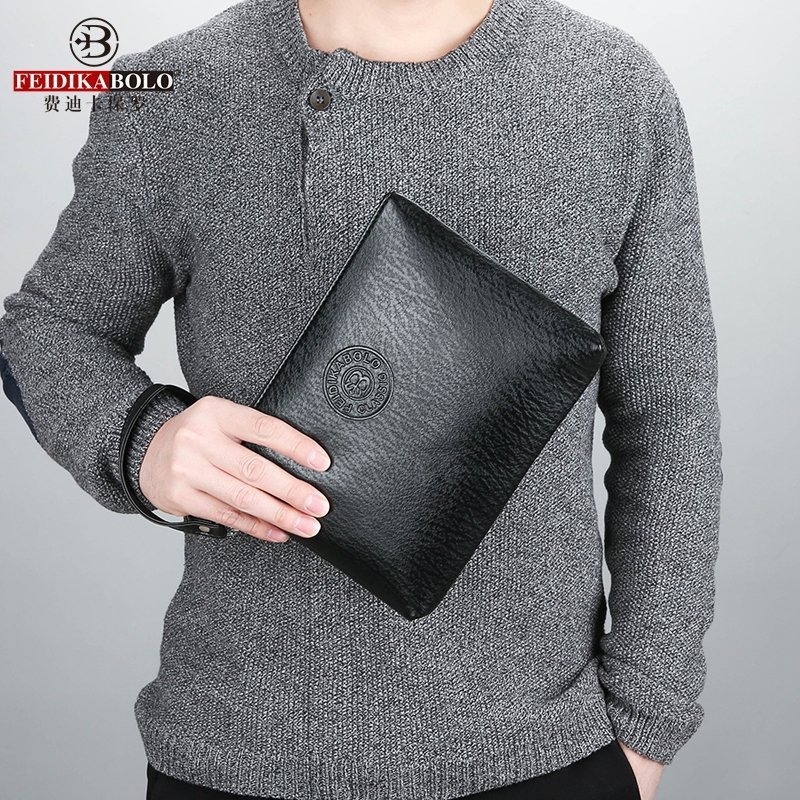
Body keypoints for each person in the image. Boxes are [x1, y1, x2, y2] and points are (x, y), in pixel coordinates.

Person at [0, 0, 723, 798]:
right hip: (238, 746)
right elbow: (49, 327)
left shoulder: (613, 91)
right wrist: (141, 438)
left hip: (544, 749)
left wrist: (647, 724)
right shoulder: (174, 92)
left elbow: (671, 423)